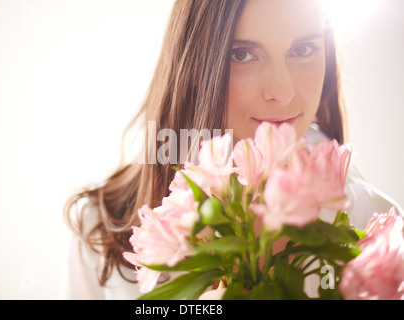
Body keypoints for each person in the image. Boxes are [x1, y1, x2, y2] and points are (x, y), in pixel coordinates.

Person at [59, 0, 403, 300]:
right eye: (243, 55)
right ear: (195, 67)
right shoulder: (103, 230)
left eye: (303, 50)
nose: (281, 92)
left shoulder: (380, 227)